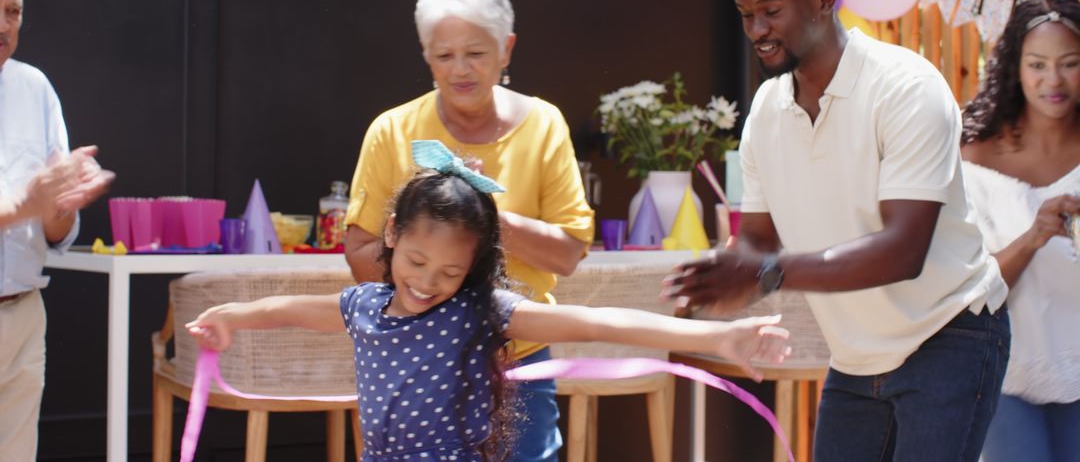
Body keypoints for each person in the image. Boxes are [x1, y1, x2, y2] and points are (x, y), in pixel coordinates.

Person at [190, 140, 792, 462]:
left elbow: (595, 320)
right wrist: (231, 317)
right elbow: (292, 307)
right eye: (417, 262)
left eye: (451, 271)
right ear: (391, 234)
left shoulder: (478, 312)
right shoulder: (365, 308)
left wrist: (716, 337)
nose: (427, 282)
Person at [661, 0, 1010, 461]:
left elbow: (902, 252)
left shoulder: (906, 87)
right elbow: (756, 243)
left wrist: (766, 273)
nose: (757, 30)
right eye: (745, 13)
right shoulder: (765, 112)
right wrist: (720, 283)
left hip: (951, 334)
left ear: (824, 0)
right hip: (855, 357)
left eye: (771, 11)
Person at [343, 0, 593, 460]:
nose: (460, 69)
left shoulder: (543, 124)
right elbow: (358, 257)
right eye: (444, 56)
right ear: (426, 56)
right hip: (412, 361)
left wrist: (483, 212)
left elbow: (567, 254)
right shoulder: (392, 131)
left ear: (507, 49)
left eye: (476, 53)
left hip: (514, 359)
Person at [0, 0, 114, 460]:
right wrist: (28, 200)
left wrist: (60, 208)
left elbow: (56, 232)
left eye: (13, 10)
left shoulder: (35, 88)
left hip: (23, 313)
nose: (4, 24)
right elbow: (25, 200)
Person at [959, 0, 1080, 462]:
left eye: (1070, 63)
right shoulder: (974, 161)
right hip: (1003, 379)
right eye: (1037, 64)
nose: (1054, 80)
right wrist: (1034, 236)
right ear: (1015, 67)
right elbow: (971, 291)